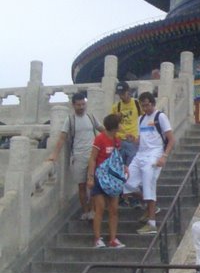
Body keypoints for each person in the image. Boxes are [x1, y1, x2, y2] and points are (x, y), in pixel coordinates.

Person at [122, 92, 175, 235]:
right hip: (140, 155)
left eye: (147, 104)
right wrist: (133, 139)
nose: (145, 108)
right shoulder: (140, 119)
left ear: (152, 103)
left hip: (154, 154)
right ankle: (150, 206)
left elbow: (171, 139)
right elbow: (141, 140)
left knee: (148, 185)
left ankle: (152, 223)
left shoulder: (160, 117)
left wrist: (164, 156)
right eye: (143, 105)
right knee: (126, 182)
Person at [46, 91, 102, 220]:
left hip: (93, 155)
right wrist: (54, 154)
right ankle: (85, 211)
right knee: (81, 186)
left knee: (93, 184)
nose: (81, 107)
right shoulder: (70, 120)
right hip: (78, 156)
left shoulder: (91, 117)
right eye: (79, 105)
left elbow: (101, 129)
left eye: (83, 104)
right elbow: (62, 138)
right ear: (73, 105)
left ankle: (93, 210)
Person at [87, 113, 126, 249]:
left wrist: (124, 169)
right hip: (99, 176)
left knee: (114, 209)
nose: (121, 126)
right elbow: (92, 158)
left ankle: (113, 238)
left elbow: (117, 158)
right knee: (100, 208)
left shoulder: (117, 140)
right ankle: (97, 238)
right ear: (115, 126)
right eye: (119, 123)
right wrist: (90, 177)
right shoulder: (100, 139)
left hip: (112, 179)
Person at [111, 82, 141, 165]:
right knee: (118, 167)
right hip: (119, 140)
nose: (121, 96)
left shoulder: (137, 104)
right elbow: (110, 124)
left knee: (132, 167)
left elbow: (145, 119)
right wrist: (116, 118)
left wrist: (139, 137)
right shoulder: (116, 107)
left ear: (128, 91)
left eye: (123, 93)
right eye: (119, 94)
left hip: (132, 140)